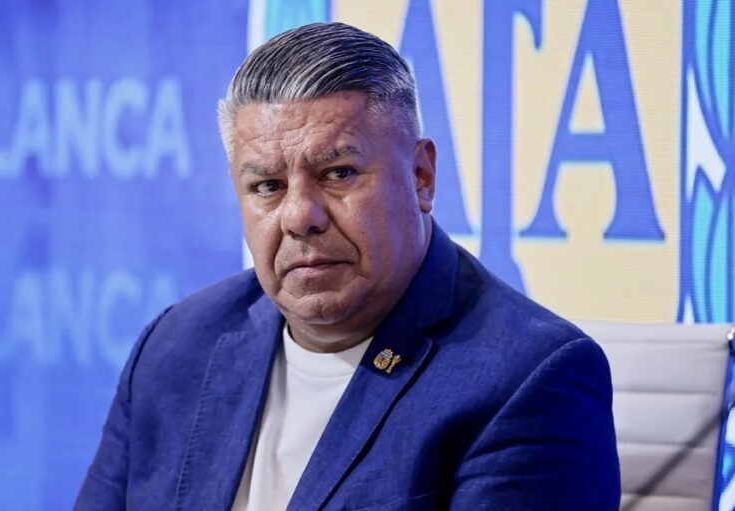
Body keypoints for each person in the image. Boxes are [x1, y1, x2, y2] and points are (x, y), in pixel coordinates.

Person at [77, 22, 620, 510]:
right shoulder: (177, 345)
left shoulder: (528, 378)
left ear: (422, 177)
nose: (300, 216)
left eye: (338, 173)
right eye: (267, 185)